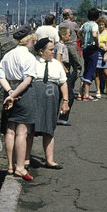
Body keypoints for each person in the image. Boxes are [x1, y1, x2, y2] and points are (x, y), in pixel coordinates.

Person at [0, 24, 37, 181]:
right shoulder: (29, 57)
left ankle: (10, 166)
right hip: (23, 93)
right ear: (28, 40)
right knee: (22, 132)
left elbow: (0, 75)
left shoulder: (8, 55)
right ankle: (20, 167)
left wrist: (9, 92)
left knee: (10, 131)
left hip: (10, 90)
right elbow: (27, 81)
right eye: (33, 40)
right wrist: (15, 95)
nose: (33, 43)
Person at [28, 38, 69, 169]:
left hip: (51, 99)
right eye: (51, 50)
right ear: (41, 51)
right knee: (30, 130)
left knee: (49, 129)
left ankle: (49, 160)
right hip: (34, 98)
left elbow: (63, 83)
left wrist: (65, 102)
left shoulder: (57, 64)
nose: (53, 52)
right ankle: (26, 160)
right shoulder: (31, 62)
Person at [77, 8, 100, 101]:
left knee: (86, 70)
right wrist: (97, 42)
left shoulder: (85, 24)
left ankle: (80, 93)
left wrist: (83, 40)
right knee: (90, 70)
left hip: (85, 48)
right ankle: (86, 94)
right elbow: (94, 34)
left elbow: (79, 33)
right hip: (93, 48)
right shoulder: (94, 25)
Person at [56, 27, 75, 126]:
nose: (69, 36)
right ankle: (63, 117)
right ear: (63, 35)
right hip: (63, 70)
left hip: (62, 69)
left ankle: (56, 117)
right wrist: (65, 70)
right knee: (70, 95)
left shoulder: (60, 45)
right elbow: (58, 59)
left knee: (59, 95)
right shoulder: (60, 46)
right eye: (68, 34)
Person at [58, 9, 82, 80]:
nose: (73, 15)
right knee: (78, 66)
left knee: (66, 66)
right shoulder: (73, 24)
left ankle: (66, 80)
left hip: (64, 46)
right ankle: (72, 81)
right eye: (72, 14)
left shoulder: (61, 25)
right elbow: (79, 33)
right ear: (69, 16)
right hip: (72, 46)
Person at [95, 17, 107, 100]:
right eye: (100, 25)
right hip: (97, 51)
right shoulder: (96, 33)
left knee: (106, 73)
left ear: (105, 25)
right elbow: (96, 43)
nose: (101, 26)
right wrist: (101, 45)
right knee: (97, 73)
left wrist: (105, 54)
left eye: (102, 25)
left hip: (105, 52)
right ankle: (98, 90)